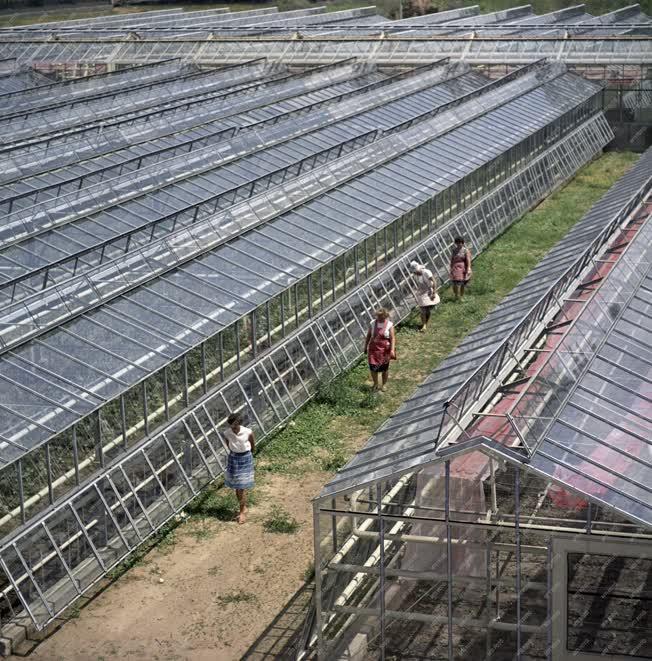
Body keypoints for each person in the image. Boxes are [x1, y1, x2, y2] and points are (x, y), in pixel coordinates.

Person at [223, 413, 255, 524]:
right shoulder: (227, 433)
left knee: (241, 487)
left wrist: (248, 453)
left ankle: (242, 512)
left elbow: (252, 443)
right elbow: (228, 444)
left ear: (240, 424)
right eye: (232, 425)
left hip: (245, 457)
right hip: (234, 458)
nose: (233, 428)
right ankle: (243, 507)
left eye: (235, 426)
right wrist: (234, 451)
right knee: (237, 487)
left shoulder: (247, 432)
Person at [364, 308, 396, 393]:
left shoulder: (389, 324)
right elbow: (368, 336)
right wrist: (365, 347)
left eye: (381, 316)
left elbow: (392, 338)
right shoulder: (373, 323)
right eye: (377, 316)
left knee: (384, 368)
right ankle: (375, 384)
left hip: (384, 350)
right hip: (373, 349)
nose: (378, 317)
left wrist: (392, 350)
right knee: (373, 367)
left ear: (385, 316)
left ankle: (384, 384)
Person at [410, 260, 440, 332]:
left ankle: (426, 323)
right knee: (422, 309)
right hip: (422, 292)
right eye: (414, 271)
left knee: (427, 309)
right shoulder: (415, 275)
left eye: (415, 271)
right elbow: (419, 284)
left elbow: (434, 281)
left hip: (429, 290)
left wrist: (434, 293)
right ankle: (424, 325)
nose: (415, 272)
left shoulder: (426, 272)